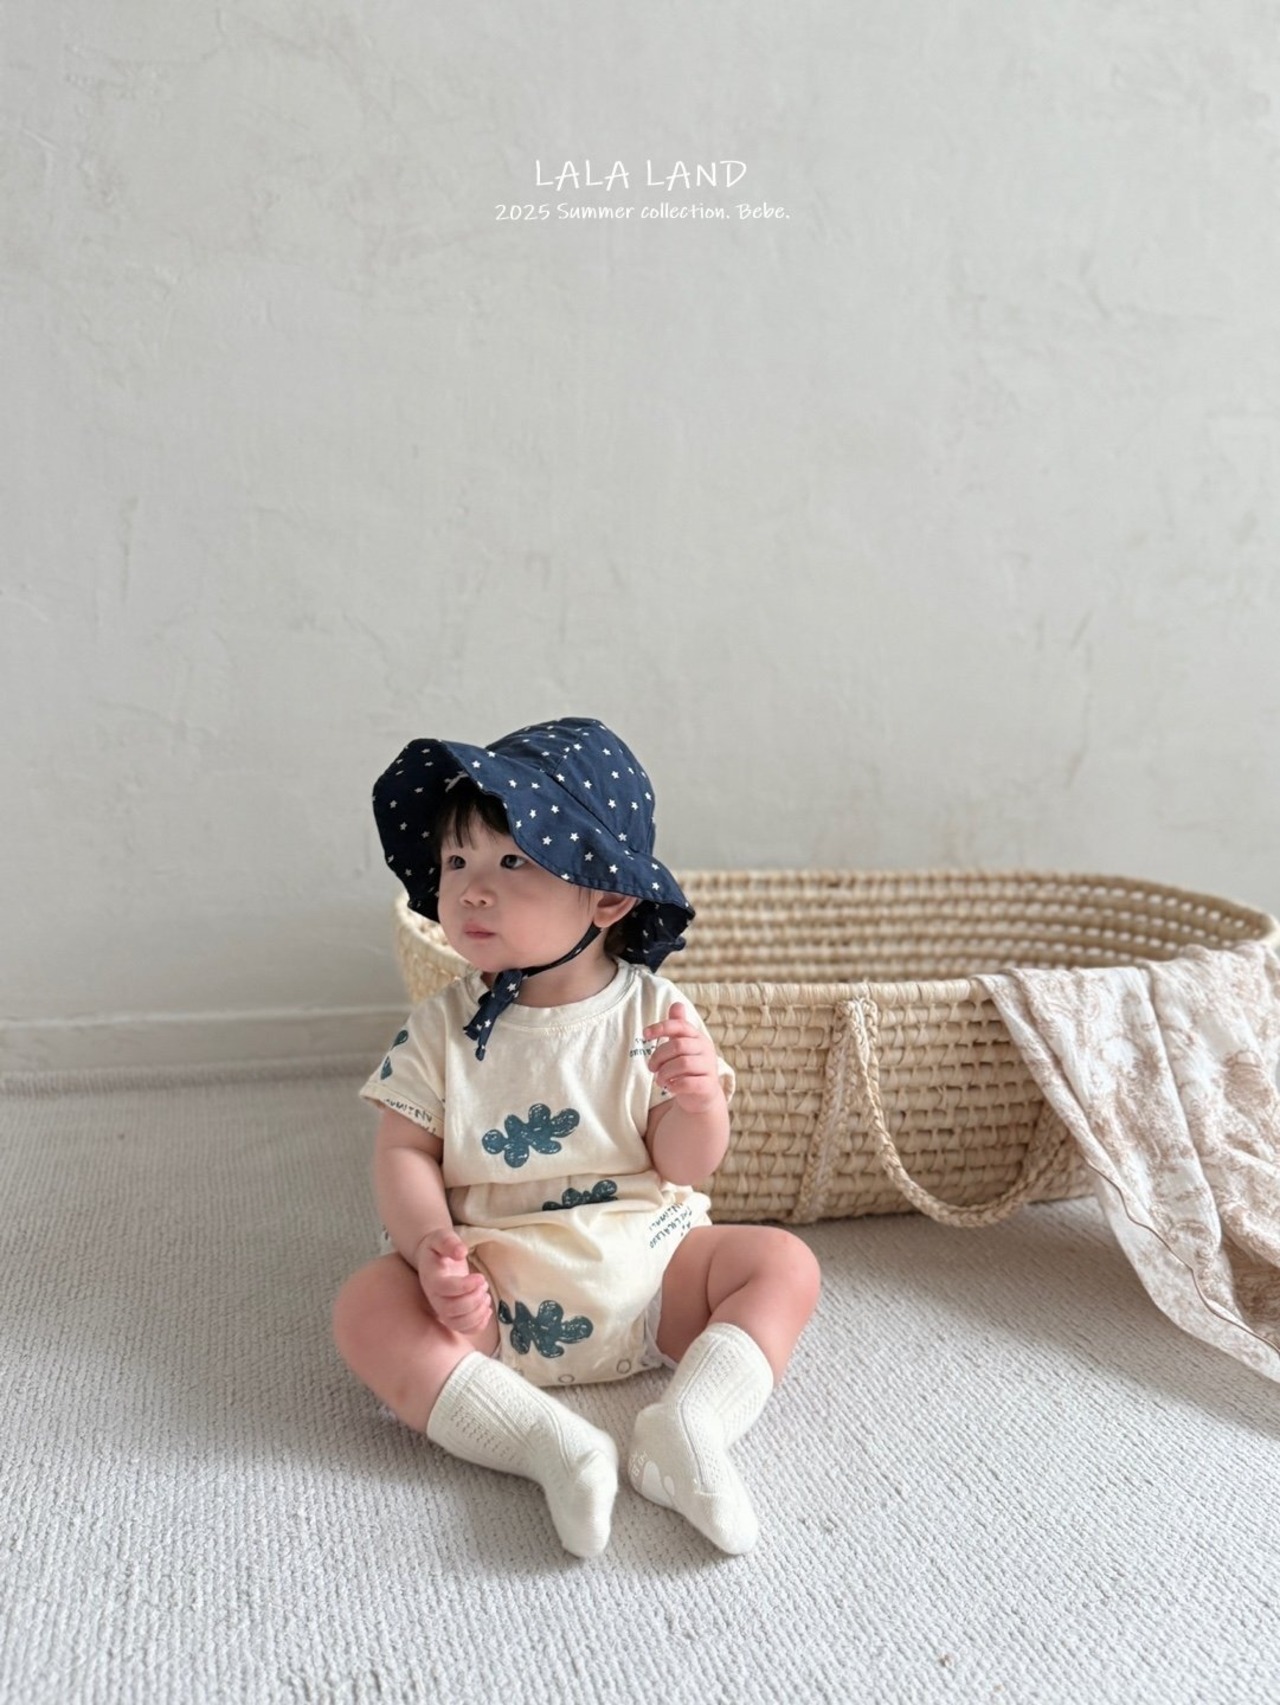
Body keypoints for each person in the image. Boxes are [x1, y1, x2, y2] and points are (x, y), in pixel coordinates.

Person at [332, 716, 820, 1557]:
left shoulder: (653, 1010)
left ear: (607, 896)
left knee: (783, 1263)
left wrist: (698, 1102)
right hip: (492, 1280)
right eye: (458, 863)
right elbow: (403, 1149)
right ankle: (548, 1444)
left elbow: (682, 1163)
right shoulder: (442, 1026)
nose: (471, 889)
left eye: (512, 862)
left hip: (649, 1265)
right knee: (367, 1308)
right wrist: (431, 1247)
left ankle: (691, 1425)